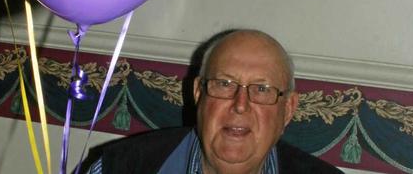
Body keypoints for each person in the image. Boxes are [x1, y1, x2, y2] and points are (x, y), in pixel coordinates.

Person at [86, 29, 343, 174]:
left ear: (288, 109)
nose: (240, 104)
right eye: (224, 84)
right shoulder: (121, 168)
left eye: (262, 89)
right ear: (198, 93)